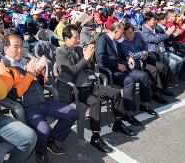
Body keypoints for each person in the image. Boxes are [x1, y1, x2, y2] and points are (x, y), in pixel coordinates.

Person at [0, 34, 79, 163]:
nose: (20, 50)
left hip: (42, 101)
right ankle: (41, 151)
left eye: (21, 46)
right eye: (15, 47)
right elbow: (15, 94)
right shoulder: (3, 68)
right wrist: (30, 73)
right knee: (44, 129)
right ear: (5, 48)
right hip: (26, 107)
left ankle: (51, 139)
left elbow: (42, 84)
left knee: (73, 113)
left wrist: (40, 72)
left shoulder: (27, 60)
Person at [56, 24, 136, 153]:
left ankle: (118, 123)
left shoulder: (78, 49)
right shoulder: (61, 53)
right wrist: (86, 58)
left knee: (116, 93)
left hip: (89, 84)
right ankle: (96, 136)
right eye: (75, 37)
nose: (78, 40)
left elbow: (88, 69)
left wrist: (90, 59)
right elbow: (72, 71)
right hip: (76, 89)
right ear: (66, 38)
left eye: (78, 37)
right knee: (95, 102)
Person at [95, 22, 152, 126]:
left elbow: (122, 55)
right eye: (121, 34)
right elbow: (100, 59)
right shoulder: (102, 40)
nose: (122, 36)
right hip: (109, 71)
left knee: (143, 76)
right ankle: (128, 114)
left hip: (120, 67)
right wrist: (117, 65)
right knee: (129, 80)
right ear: (115, 31)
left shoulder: (116, 40)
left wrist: (129, 58)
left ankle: (145, 104)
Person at [122, 22, 172, 104]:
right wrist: (142, 53)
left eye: (131, 33)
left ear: (134, 31)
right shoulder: (123, 43)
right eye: (126, 34)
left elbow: (145, 44)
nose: (129, 36)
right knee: (153, 70)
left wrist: (145, 51)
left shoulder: (138, 35)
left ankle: (164, 88)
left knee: (162, 67)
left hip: (146, 57)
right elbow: (131, 55)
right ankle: (156, 94)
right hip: (138, 62)